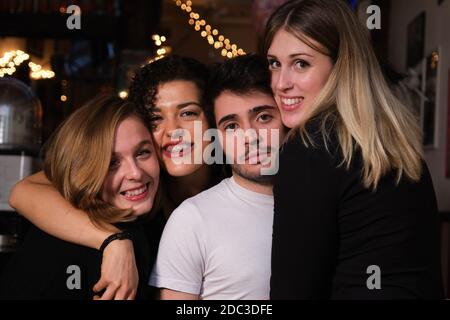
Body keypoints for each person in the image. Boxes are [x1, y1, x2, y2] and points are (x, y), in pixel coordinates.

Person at [7, 55, 228, 299]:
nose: (173, 131)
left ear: (213, 118)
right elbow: (23, 191)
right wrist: (112, 240)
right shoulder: (135, 200)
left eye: (188, 113)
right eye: (155, 118)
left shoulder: (239, 183)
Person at [264, 0, 443, 299]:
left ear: (341, 67)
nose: (281, 83)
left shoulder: (310, 147)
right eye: (274, 63)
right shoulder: (395, 142)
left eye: (301, 63)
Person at [150, 54, 285, 300]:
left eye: (264, 117)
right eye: (232, 126)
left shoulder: (326, 201)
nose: (250, 136)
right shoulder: (191, 220)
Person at [0, 95, 160, 299]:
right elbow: (21, 191)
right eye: (112, 163)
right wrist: (116, 240)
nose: (135, 173)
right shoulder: (114, 239)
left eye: (142, 153)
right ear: (85, 171)